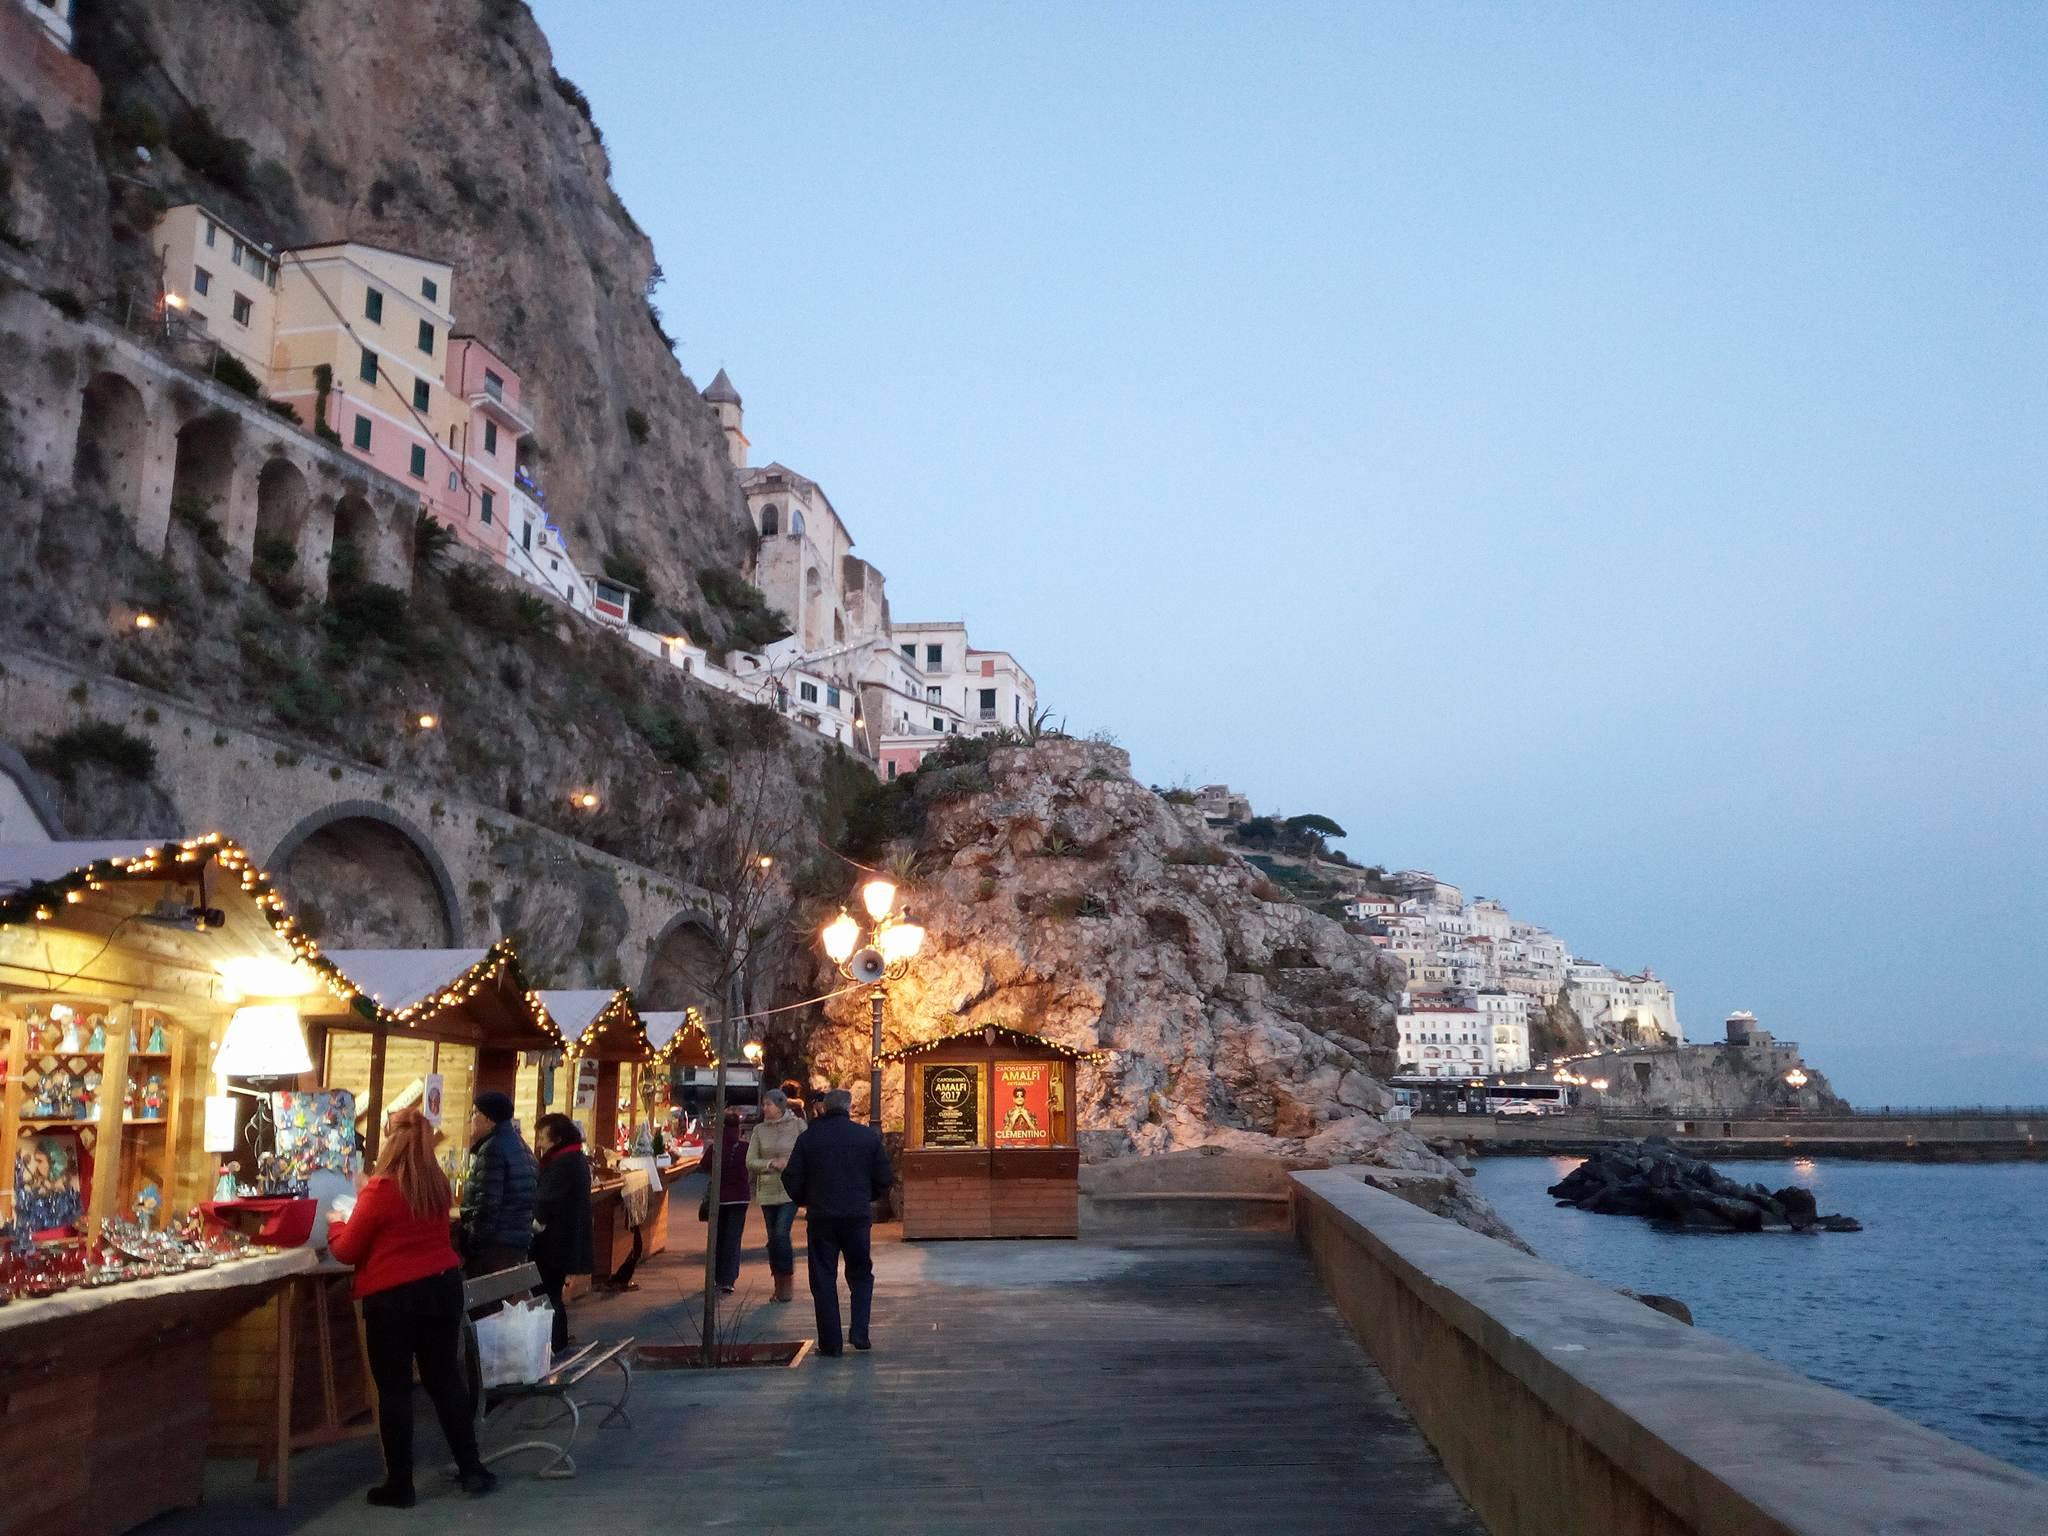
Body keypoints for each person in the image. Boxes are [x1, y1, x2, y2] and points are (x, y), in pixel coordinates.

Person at [327, 1108, 495, 1507]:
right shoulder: (435, 1183)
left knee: (395, 1390)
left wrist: (336, 1221)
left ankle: (400, 1484)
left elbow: (348, 1250)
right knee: (445, 1381)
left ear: (391, 1142)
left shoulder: (381, 1190)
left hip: (393, 1299)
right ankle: (471, 1467)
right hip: (441, 1288)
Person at [778, 1088, 892, 1357]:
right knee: (861, 1274)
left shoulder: (809, 1138)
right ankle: (860, 1333)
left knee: (823, 1278)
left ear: (825, 1108)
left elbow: (791, 1177)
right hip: (856, 1217)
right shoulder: (867, 1137)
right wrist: (866, 1196)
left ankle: (831, 1343)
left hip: (822, 1217)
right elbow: (884, 1177)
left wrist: (806, 1199)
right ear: (849, 1107)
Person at [529, 1113, 593, 1354]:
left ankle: (554, 1347)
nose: (539, 1144)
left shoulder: (562, 1163)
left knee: (548, 1296)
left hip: (554, 1243)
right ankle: (558, 1345)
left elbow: (546, 1201)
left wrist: (535, 1224)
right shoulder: (574, 1158)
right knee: (552, 1295)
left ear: (556, 1139)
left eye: (543, 1138)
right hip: (566, 1242)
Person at [460, 1091, 536, 1276]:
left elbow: (488, 1204)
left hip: (496, 1245)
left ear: (488, 1119)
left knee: (487, 1302)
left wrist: (473, 1243)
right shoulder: (520, 1144)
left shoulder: (493, 1149)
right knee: (504, 1301)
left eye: (474, 1113)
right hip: (515, 1240)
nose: (470, 1120)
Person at [747, 1088, 804, 1303]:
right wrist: (770, 1164)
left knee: (781, 1233)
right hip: (768, 1190)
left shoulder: (797, 1126)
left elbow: (806, 1152)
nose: (764, 1108)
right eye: (764, 1104)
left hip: (790, 1190)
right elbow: (750, 1160)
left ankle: (786, 1279)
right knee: (772, 1239)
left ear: (780, 1107)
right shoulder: (759, 1131)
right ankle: (777, 1282)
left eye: (768, 1104)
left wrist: (791, 1165)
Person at [712, 1107, 751, 1294]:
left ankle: (716, 1276)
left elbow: (704, 1165)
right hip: (740, 1198)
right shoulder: (744, 1147)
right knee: (733, 1239)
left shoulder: (716, 1146)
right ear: (739, 1128)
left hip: (719, 1198)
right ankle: (728, 1279)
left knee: (717, 1237)